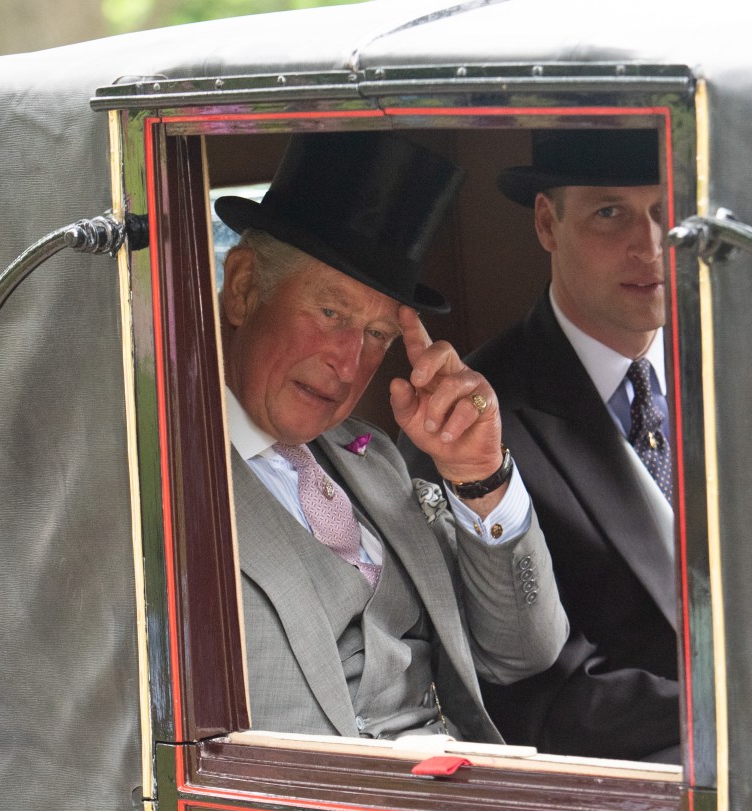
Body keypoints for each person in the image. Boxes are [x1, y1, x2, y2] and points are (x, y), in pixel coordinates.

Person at [214, 130, 567, 742]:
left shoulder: (372, 461)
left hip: (463, 796)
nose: (350, 362)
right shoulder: (161, 469)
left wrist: (478, 478)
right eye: (332, 314)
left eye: (378, 334)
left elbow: (524, 652)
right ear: (244, 287)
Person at [401, 128, 679, 762]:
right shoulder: (465, 425)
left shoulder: (730, 364)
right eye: (611, 213)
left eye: (669, 210)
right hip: (635, 789)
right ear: (548, 223)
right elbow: (524, 690)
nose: (651, 244)